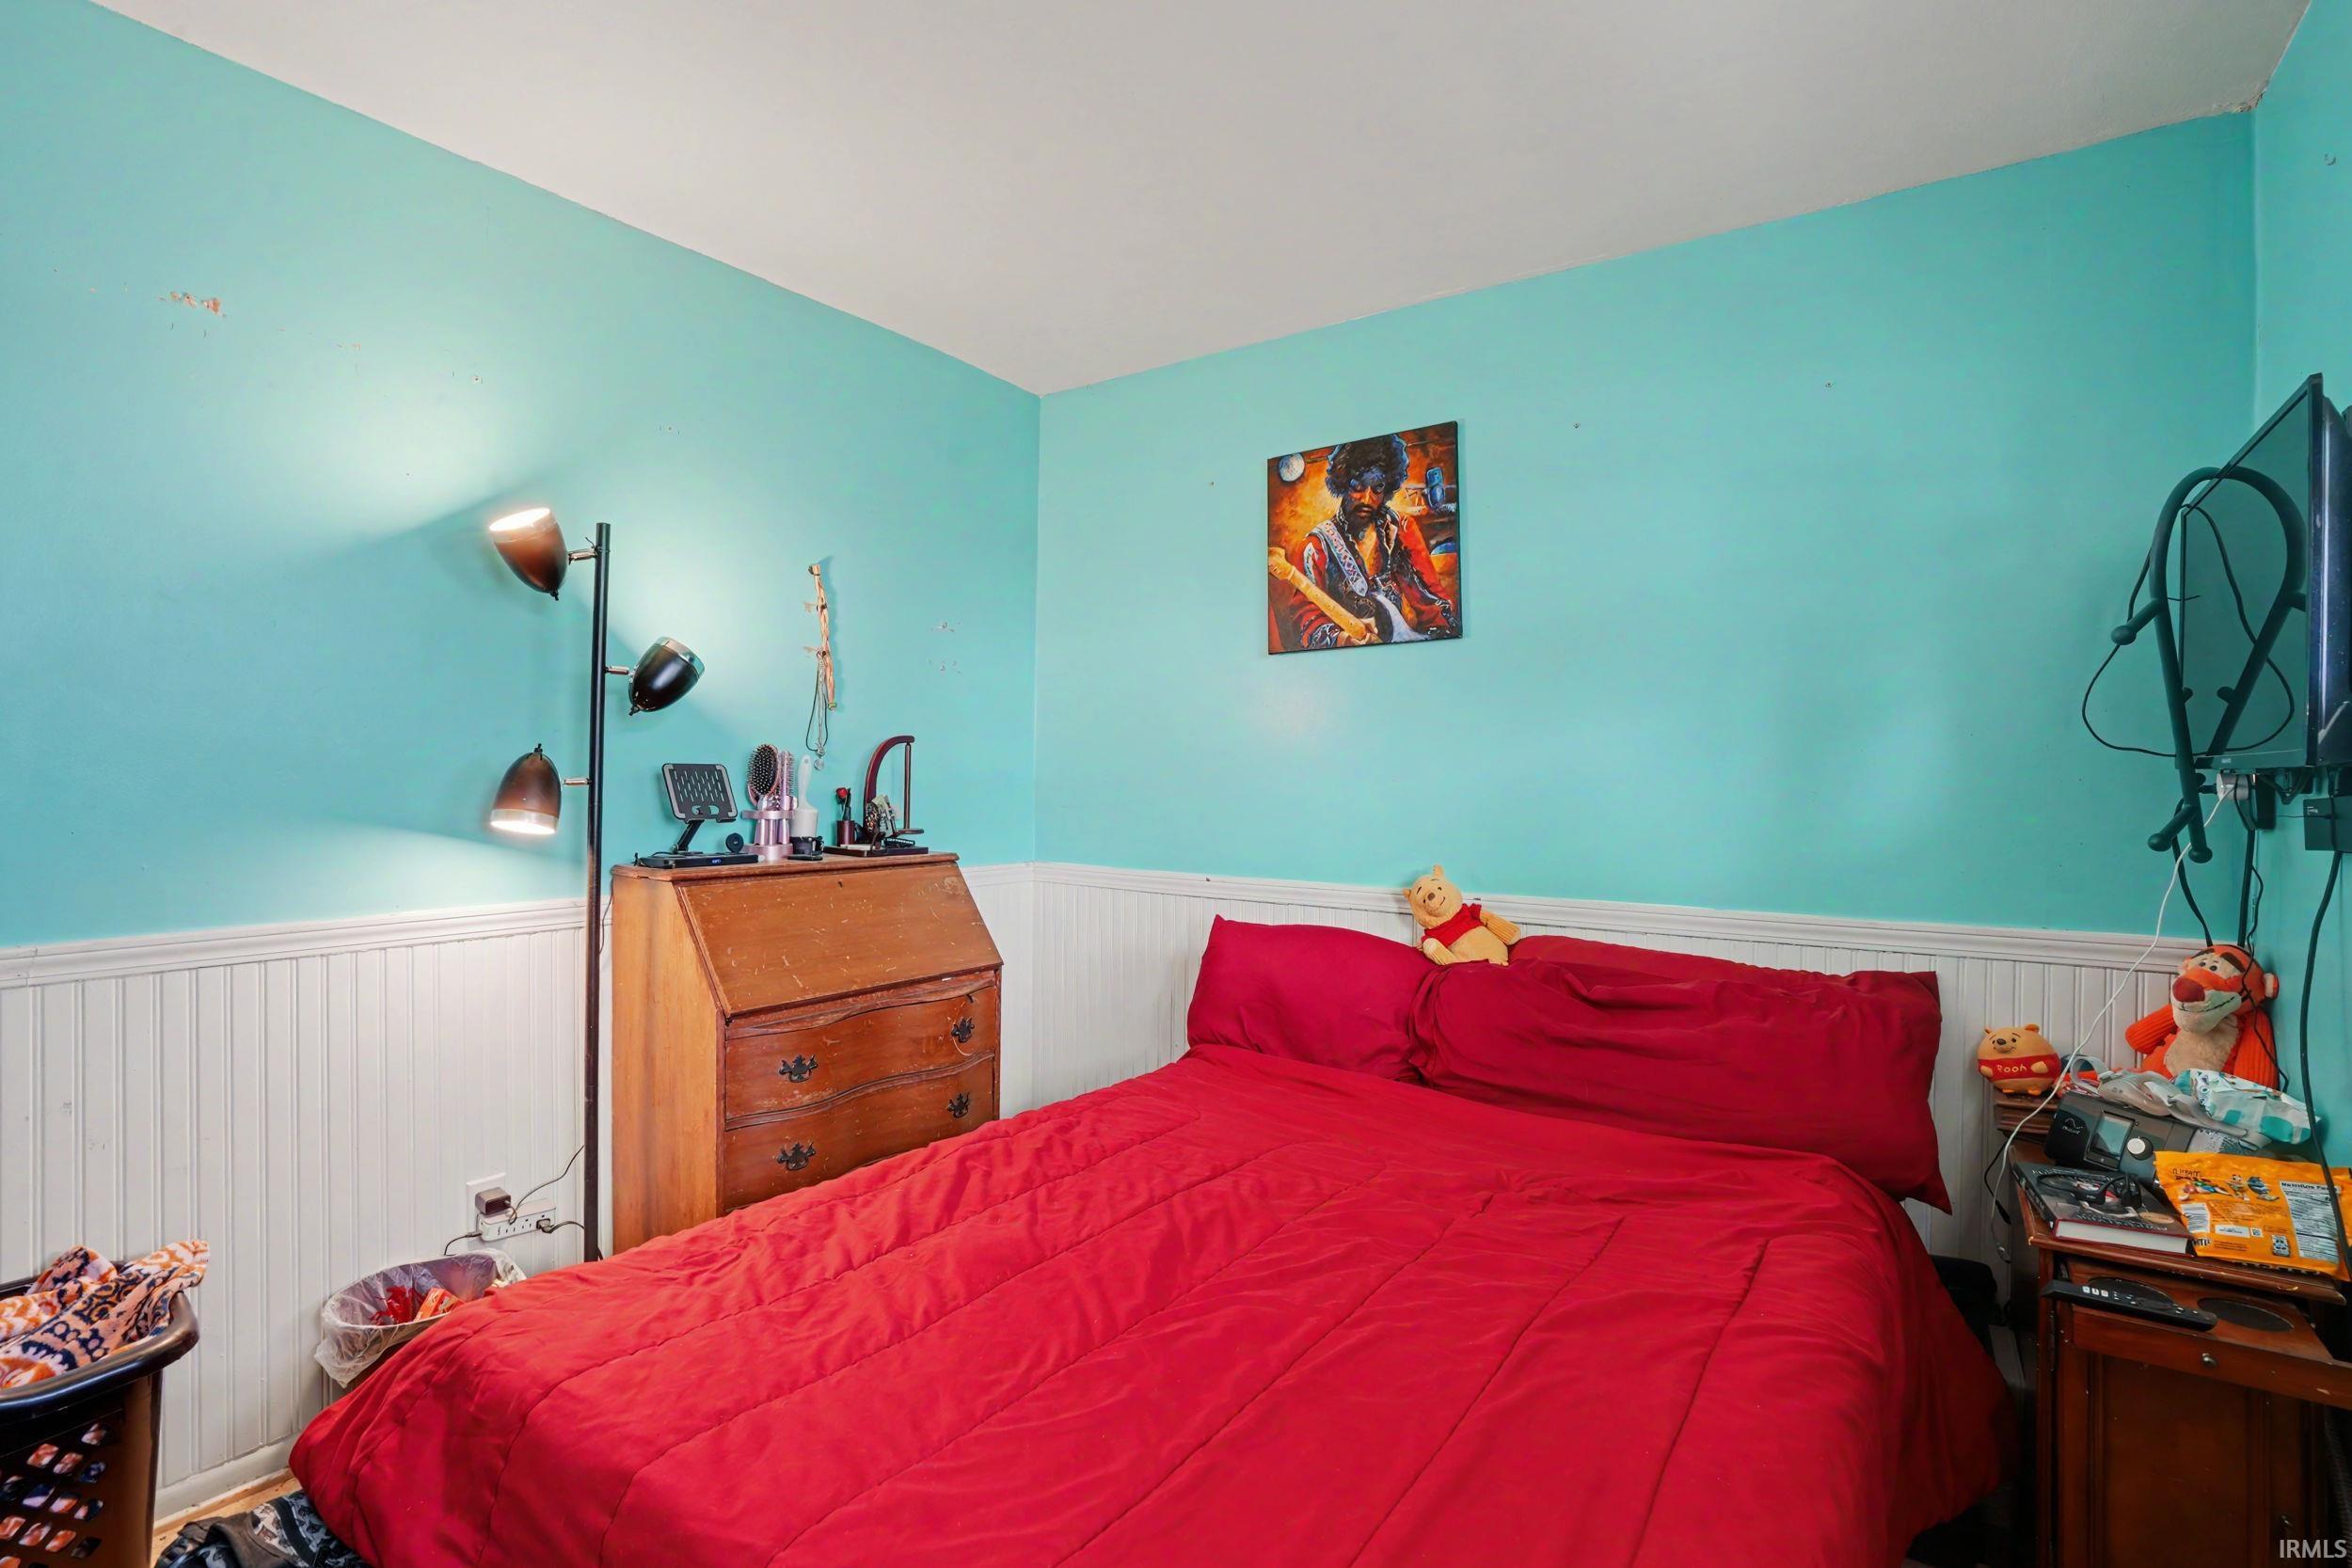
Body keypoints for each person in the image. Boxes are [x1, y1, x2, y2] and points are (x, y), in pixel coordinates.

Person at [1277, 433, 1458, 649]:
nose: (1366, 499)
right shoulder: (1316, 547)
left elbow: (1432, 599)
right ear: (1343, 484)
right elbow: (1305, 618)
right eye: (1357, 486)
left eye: (1378, 488)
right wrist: (1343, 639)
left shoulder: (1401, 529)